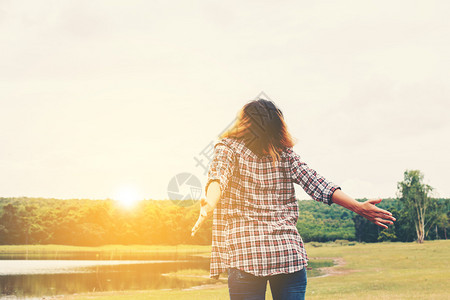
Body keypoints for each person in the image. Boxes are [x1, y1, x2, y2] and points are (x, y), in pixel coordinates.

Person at [191, 99, 395, 300]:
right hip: (287, 254)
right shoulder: (284, 154)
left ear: (243, 123)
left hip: (247, 255)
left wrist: (209, 204)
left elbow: (218, 178)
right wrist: (358, 206)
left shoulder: (228, 148)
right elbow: (317, 184)